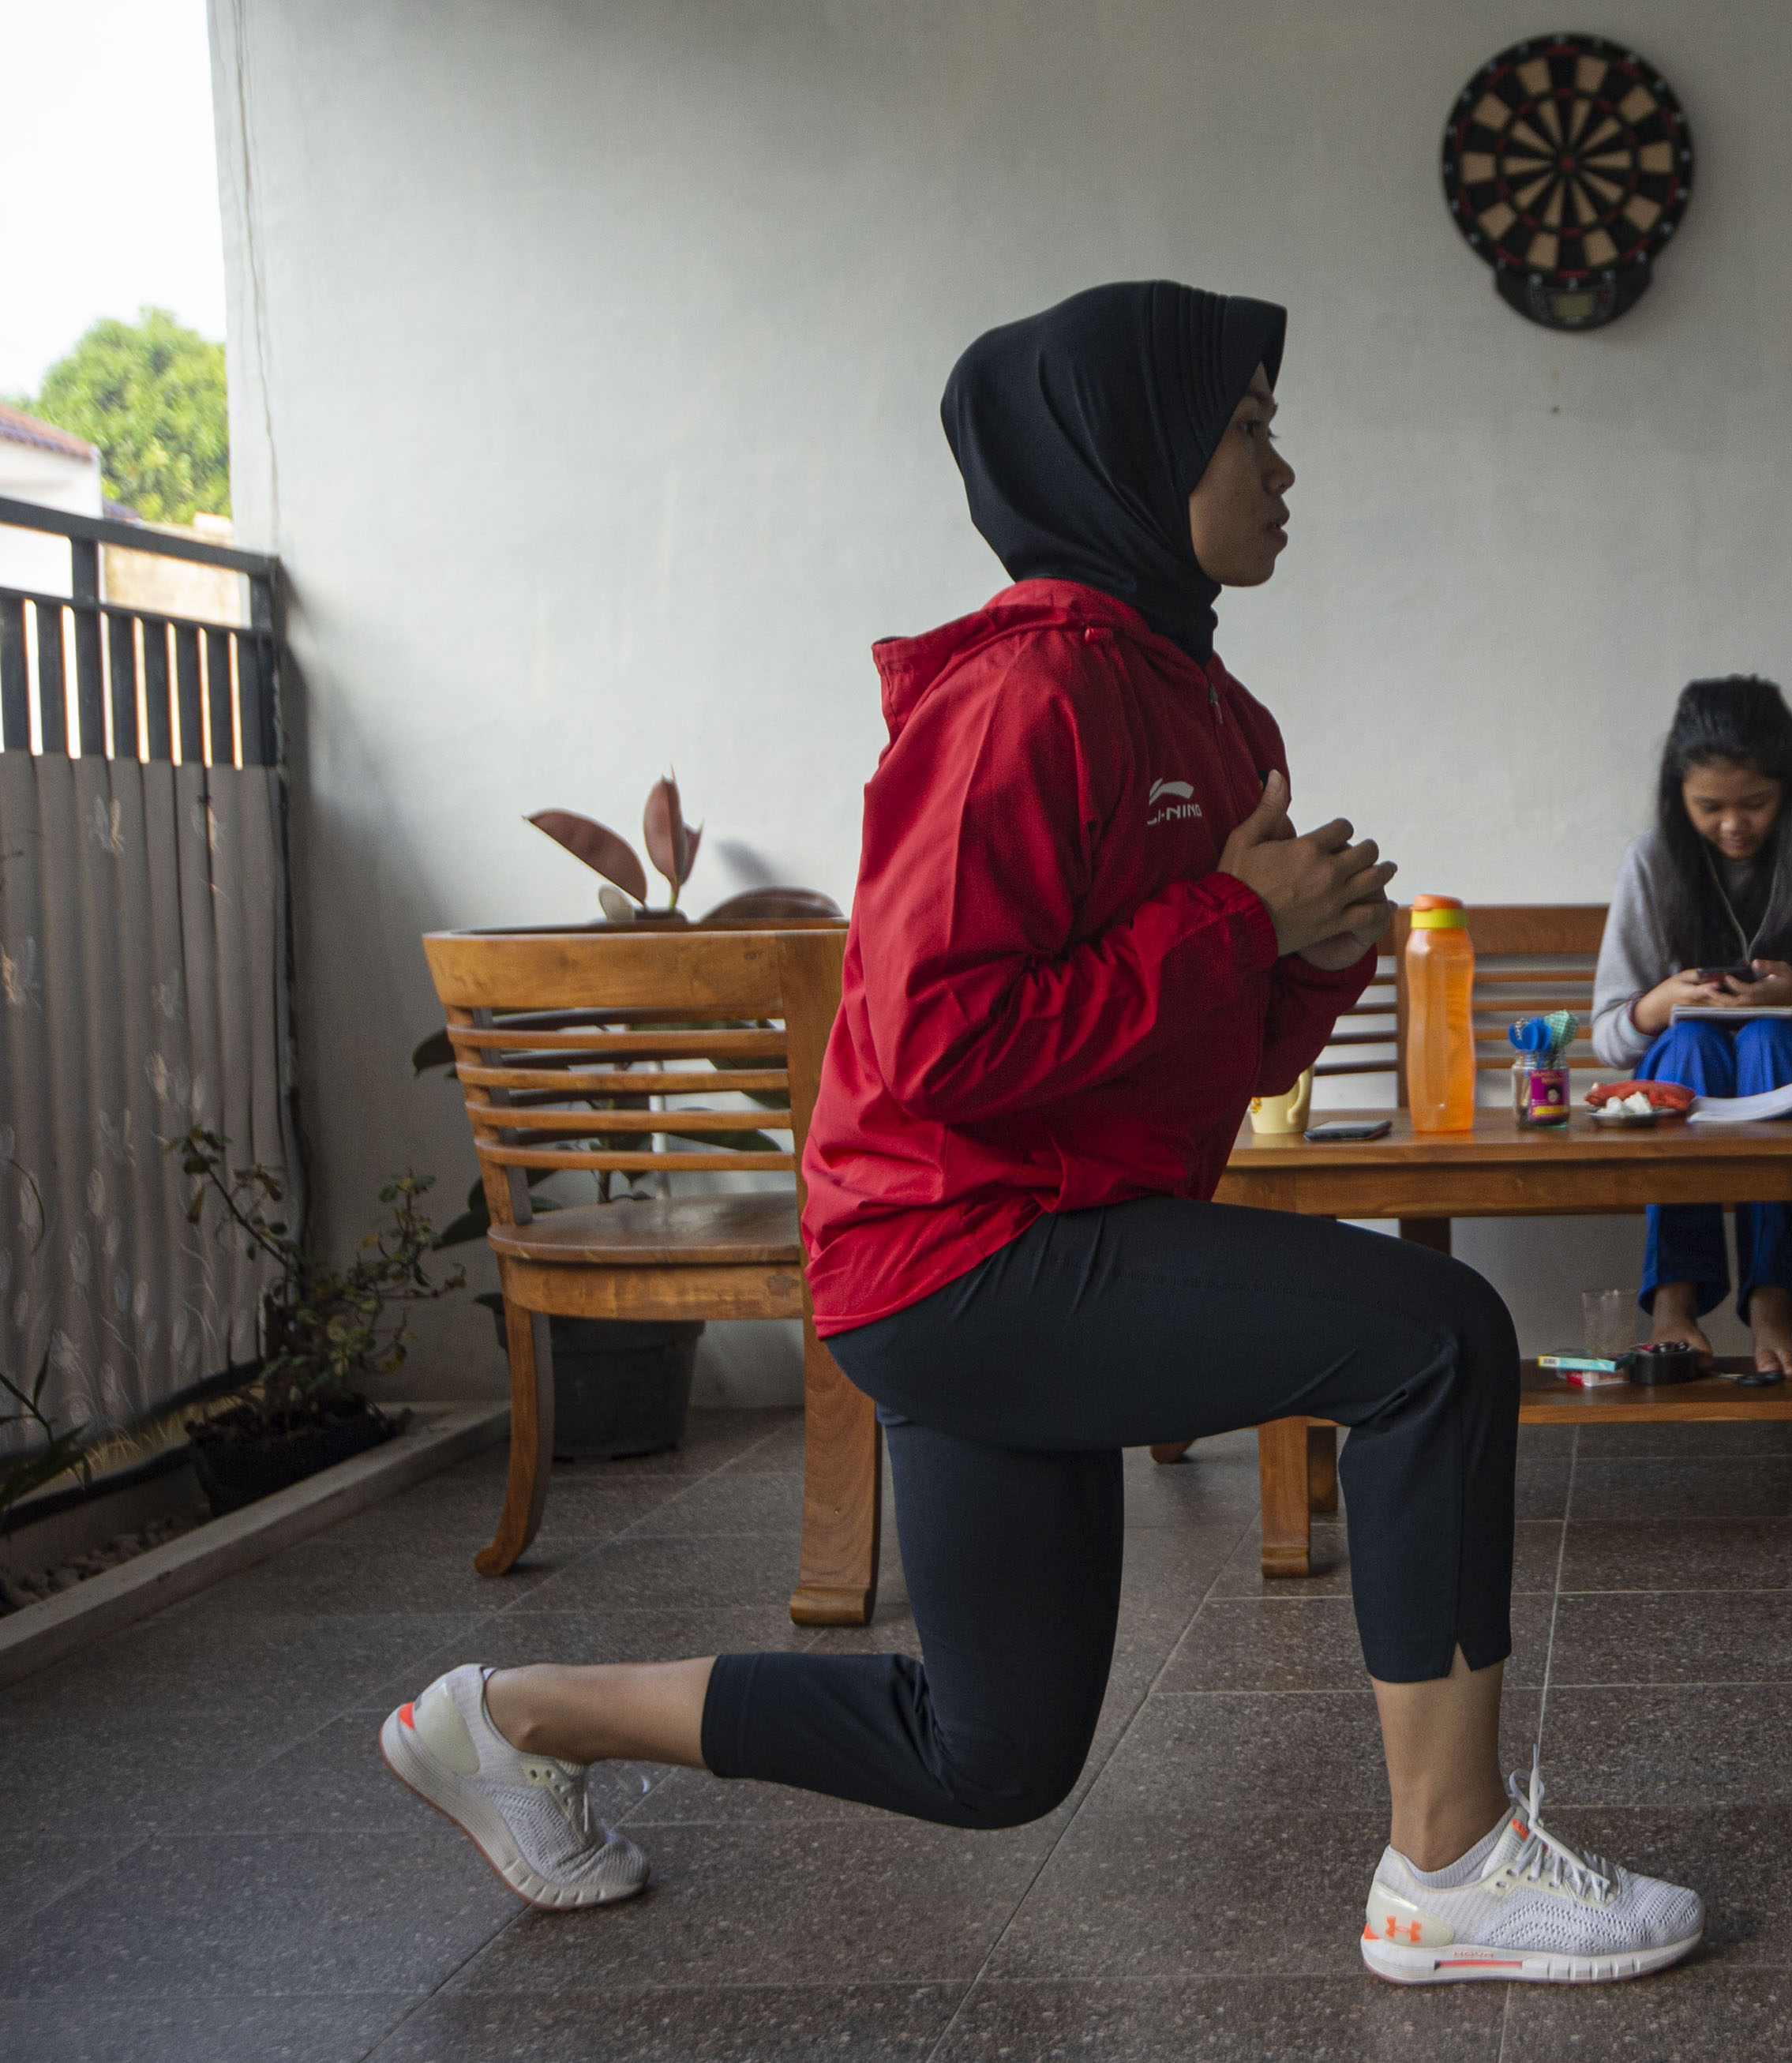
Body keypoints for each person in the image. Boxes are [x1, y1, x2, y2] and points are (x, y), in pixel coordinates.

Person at [379, 283, 1701, 1988]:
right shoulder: (1023, 697)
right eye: (1244, 426)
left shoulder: (1215, 715)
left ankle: (505, 1718)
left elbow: (1199, 1049)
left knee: (990, 1752)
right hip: (957, 1248)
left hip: (1042, 1237)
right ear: (1133, 454)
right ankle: (1444, 1864)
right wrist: (1234, 922)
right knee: (1436, 1336)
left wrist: (1308, 954)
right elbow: (934, 1043)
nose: (1283, 464)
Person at [1589, 677, 1792, 1376]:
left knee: (1766, 1038)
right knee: (1692, 1040)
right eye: (1710, 806)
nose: (1734, 824)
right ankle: (1674, 1301)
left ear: (1788, 787)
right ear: (1679, 795)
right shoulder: (1653, 861)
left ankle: (1773, 1300)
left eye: (1755, 803)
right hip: (1692, 1073)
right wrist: (1660, 1002)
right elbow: (1610, 1037)